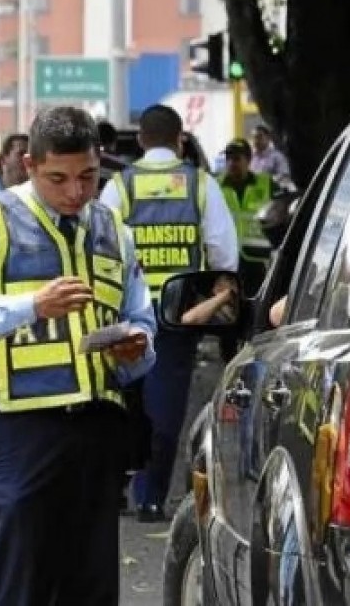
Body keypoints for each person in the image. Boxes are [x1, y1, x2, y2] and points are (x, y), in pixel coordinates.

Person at [0, 106, 157, 605]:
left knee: (90, 585)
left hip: (96, 427)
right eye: (58, 178)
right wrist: (32, 305)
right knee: (18, 581)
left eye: (88, 177)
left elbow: (141, 317)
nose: (76, 192)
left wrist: (136, 348)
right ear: (30, 165)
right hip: (19, 430)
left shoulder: (111, 228)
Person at [100, 103, 239, 522]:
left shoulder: (119, 188)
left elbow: (102, 249)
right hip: (179, 314)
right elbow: (223, 252)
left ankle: (119, 487)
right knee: (165, 407)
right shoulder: (200, 186)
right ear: (180, 140)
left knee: (125, 400)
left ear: (140, 140)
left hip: (128, 312)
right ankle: (151, 496)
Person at [219, 138, 274, 299]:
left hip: (256, 261)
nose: (231, 163)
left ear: (249, 160)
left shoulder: (265, 184)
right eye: (228, 159)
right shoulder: (216, 186)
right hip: (226, 260)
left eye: (236, 159)